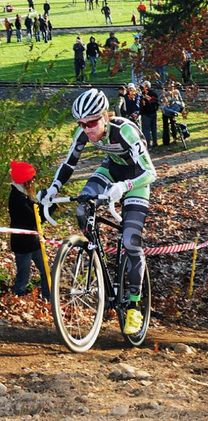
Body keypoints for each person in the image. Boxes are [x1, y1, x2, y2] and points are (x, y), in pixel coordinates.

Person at [37, 88, 157, 334]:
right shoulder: (83, 132)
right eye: (81, 123)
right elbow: (69, 162)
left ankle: (134, 305)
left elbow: (151, 172)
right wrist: (53, 189)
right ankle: (93, 253)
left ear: (104, 116)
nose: (87, 129)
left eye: (91, 122)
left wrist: (124, 187)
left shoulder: (124, 129)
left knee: (130, 240)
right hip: (110, 171)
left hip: (136, 179)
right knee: (83, 204)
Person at [9, 161, 50, 300]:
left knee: (46, 271)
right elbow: (34, 219)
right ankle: (17, 299)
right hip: (23, 245)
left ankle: (47, 297)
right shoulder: (17, 198)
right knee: (23, 276)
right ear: (25, 180)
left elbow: (35, 208)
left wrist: (45, 203)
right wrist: (48, 208)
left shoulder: (24, 195)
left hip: (34, 242)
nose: (33, 181)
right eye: (31, 178)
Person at [140, 81, 159, 148]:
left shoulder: (143, 95)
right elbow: (157, 104)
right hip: (153, 113)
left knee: (146, 130)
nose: (142, 88)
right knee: (154, 128)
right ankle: (155, 143)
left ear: (146, 87)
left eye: (143, 86)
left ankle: (148, 144)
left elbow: (142, 105)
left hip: (146, 114)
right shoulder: (155, 94)